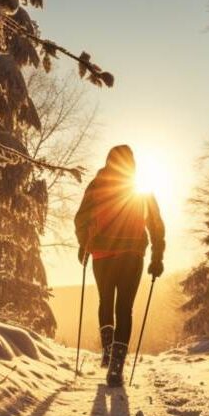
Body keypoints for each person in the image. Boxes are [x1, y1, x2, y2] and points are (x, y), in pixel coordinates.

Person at [74, 145, 165, 387]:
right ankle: (116, 368)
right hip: (131, 254)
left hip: (102, 255)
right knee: (124, 309)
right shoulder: (142, 188)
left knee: (106, 301)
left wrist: (84, 245)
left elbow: (81, 218)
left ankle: (108, 350)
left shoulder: (96, 185)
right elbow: (156, 226)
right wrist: (157, 257)